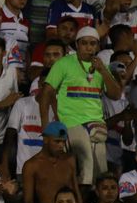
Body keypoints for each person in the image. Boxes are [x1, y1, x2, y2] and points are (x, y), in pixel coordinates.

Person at [41, 25, 123, 189]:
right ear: (77, 45)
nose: (88, 47)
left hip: (96, 124)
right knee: (87, 167)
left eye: (93, 44)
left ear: (98, 46)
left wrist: (103, 71)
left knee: (101, 172)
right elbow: (46, 94)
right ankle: (81, 202)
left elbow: (116, 95)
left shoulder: (101, 67)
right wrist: (46, 127)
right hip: (71, 123)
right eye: (84, 43)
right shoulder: (64, 64)